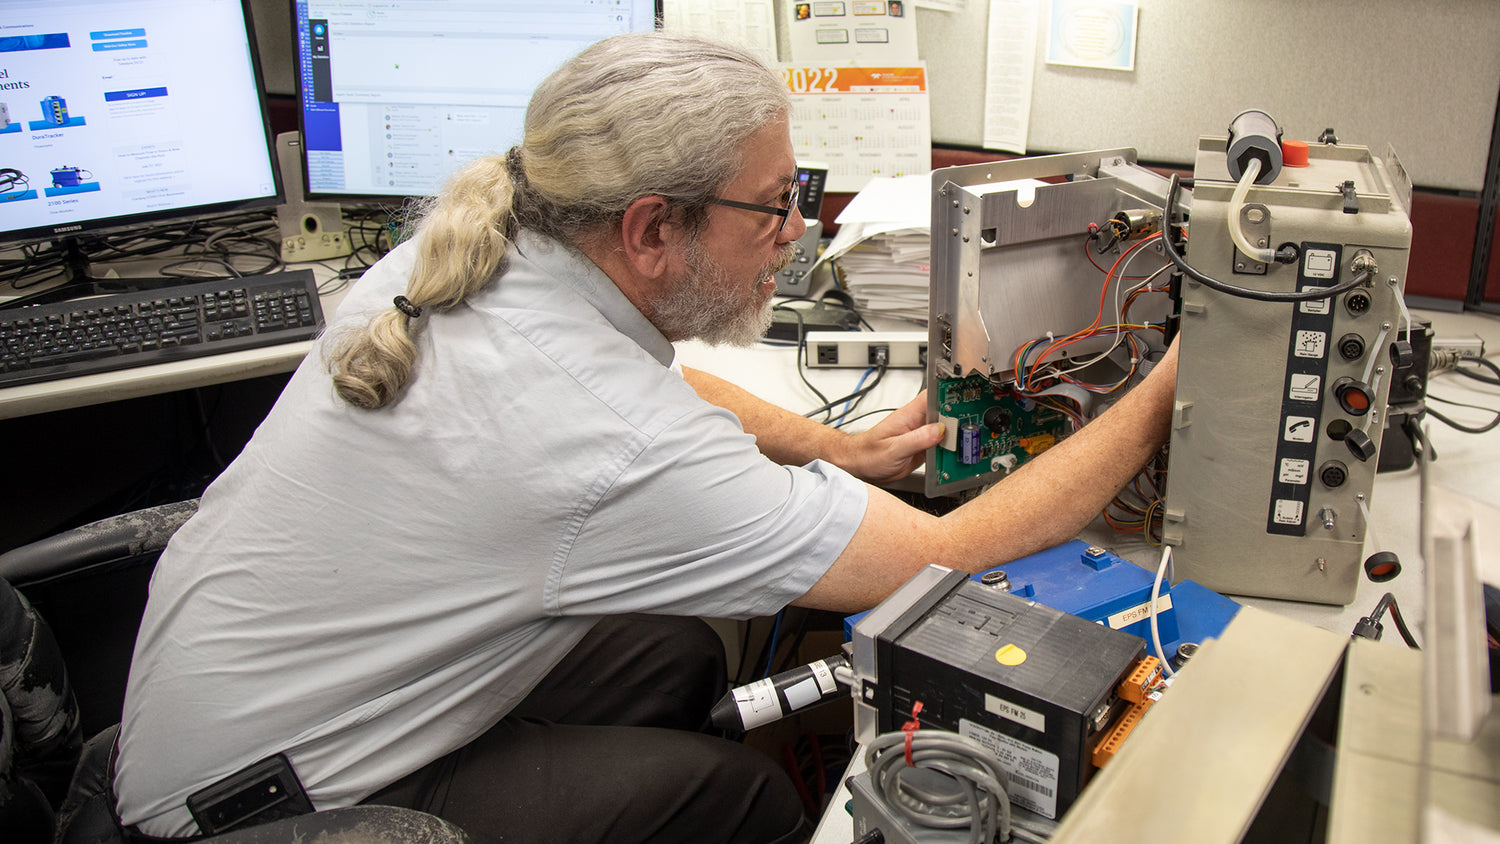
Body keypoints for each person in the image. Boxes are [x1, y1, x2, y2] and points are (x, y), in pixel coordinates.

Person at [111, 31, 1177, 844]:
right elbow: (949, 556)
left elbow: (658, 391)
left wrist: (831, 449)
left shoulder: (470, 251)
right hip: (258, 808)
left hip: (237, 696)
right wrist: (1178, 381)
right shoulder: (609, 437)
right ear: (653, 228)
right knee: (748, 797)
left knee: (671, 650)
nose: (797, 232)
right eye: (774, 205)